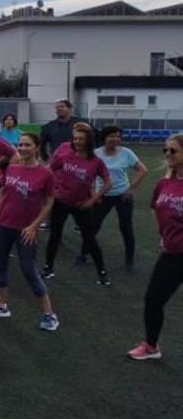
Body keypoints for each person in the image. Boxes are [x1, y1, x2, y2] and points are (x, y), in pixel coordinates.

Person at [0, 132, 60, 330]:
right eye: (20, 145)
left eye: (27, 145)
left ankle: (49, 314)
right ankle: (1, 305)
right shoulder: (12, 168)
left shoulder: (45, 174)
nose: (22, 148)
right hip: (4, 225)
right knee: (0, 263)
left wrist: (34, 225)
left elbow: (50, 201)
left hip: (26, 230)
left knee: (28, 269)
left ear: (36, 148)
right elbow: (2, 192)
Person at [127, 133, 183, 360]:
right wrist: (163, 234)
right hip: (171, 254)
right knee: (153, 300)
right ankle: (151, 346)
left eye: (173, 151)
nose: (168, 154)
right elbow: (155, 207)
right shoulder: (164, 183)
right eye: (166, 150)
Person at [42, 125, 112, 285]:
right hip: (60, 202)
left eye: (81, 138)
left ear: (88, 141)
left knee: (89, 238)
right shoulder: (65, 156)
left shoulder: (95, 162)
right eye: (75, 139)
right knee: (54, 236)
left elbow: (108, 182)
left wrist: (93, 200)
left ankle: (102, 272)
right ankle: (48, 268)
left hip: (81, 205)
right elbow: (47, 171)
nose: (77, 141)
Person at [93, 125, 148, 272]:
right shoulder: (96, 154)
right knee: (93, 226)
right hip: (103, 196)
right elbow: (89, 175)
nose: (115, 139)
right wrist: (94, 195)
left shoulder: (126, 153)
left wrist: (131, 189)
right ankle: (84, 254)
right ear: (104, 138)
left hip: (122, 196)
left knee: (126, 227)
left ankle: (129, 259)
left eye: (118, 136)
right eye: (111, 136)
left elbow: (142, 170)